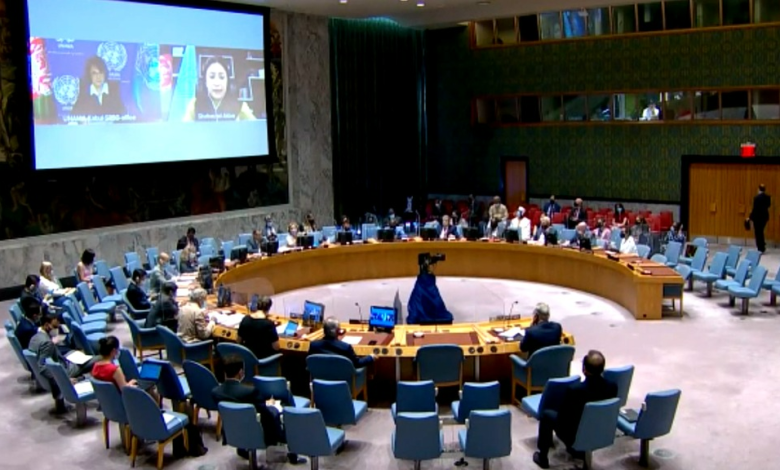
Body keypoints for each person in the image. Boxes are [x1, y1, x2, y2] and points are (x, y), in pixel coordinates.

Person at [533, 350, 618, 469]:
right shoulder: (612, 387)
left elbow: (563, 419)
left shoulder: (575, 390)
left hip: (575, 435)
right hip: (601, 430)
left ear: (584, 369)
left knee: (547, 415)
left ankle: (543, 457)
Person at [211, 361, 305, 465]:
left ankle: (243, 448)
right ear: (241, 372)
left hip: (232, 432)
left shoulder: (215, 392)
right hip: (255, 432)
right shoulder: (250, 392)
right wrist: (273, 407)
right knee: (278, 411)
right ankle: (291, 452)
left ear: (225, 373)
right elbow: (266, 414)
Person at [28, 313, 98, 414]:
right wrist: (64, 379)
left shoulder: (35, 337)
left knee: (76, 354)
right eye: (55, 327)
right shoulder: (47, 343)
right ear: (47, 325)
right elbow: (42, 367)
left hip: (61, 365)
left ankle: (82, 378)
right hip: (64, 370)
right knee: (99, 359)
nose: (57, 329)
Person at [183, 56, 256, 122]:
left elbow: (256, 128)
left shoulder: (240, 106)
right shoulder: (195, 105)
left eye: (221, 77)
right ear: (205, 82)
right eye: (212, 77)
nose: (217, 83)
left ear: (227, 81)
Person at [91, 336, 160, 401]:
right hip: (123, 401)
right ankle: (155, 409)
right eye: (117, 350)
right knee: (150, 385)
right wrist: (131, 383)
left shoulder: (95, 366)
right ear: (114, 351)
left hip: (108, 401)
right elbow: (125, 390)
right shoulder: (114, 370)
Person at [309, 317, 376, 368]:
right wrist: (371, 357)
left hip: (319, 379)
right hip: (342, 380)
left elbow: (309, 363)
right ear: (338, 331)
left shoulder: (313, 345)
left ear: (324, 330)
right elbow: (357, 363)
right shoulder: (346, 347)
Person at [749, 184, 771, 253]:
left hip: (757, 218)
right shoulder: (768, 197)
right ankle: (762, 245)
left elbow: (755, 209)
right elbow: (768, 205)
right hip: (764, 217)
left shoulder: (756, 198)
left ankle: (760, 247)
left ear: (758, 189)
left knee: (758, 232)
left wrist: (750, 217)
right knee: (761, 231)